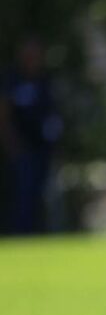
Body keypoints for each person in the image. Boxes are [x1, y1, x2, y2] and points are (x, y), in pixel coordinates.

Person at [0, 38, 62, 234]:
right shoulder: (13, 80)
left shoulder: (44, 80)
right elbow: (4, 114)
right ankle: (20, 235)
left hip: (43, 148)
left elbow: (53, 114)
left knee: (40, 194)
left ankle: (39, 234)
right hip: (22, 148)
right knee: (22, 195)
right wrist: (11, 144)